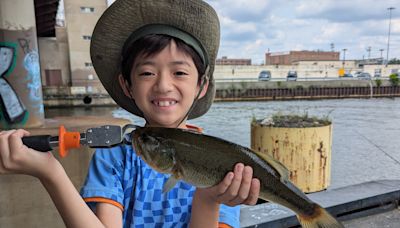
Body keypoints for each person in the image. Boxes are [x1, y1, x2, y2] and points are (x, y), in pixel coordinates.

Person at [0, 0, 260, 227]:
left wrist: (209, 199)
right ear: (127, 85)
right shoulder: (115, 155)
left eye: (179, 72)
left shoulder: (223, 162)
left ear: (201, 86)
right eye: (147, 73)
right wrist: (51, 172)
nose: (163, 85)